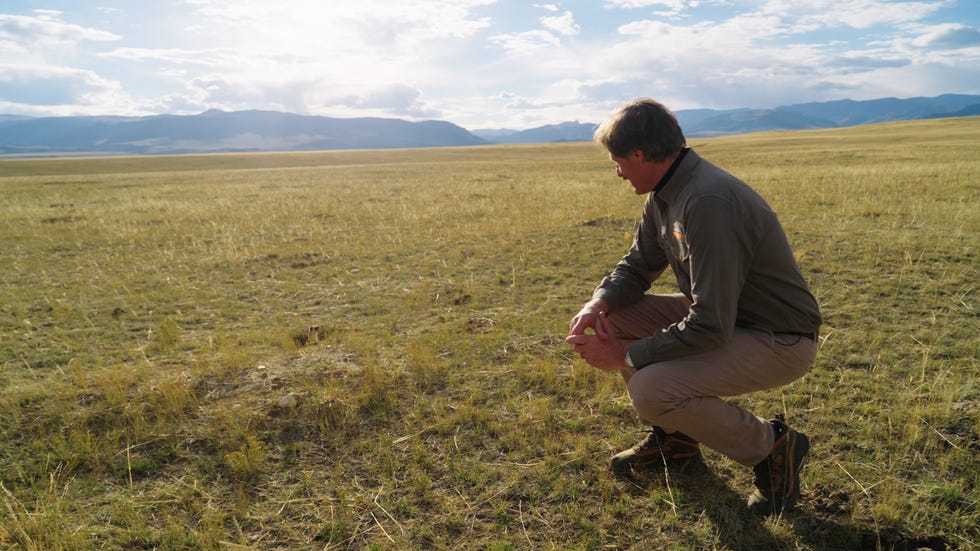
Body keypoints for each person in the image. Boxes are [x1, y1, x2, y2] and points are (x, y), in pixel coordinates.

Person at [566, 98, 821, 516]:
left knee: (652, 390)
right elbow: (637, 266)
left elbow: (710, 324)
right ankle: (678, 441)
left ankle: (774, 448)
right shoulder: (665, 193)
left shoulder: (707, 202)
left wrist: (625, 354)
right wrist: (600, 301)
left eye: (617, 161)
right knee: (617, 316)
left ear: (640, 154)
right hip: (733, 320)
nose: (617, 171)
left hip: (779, 337)